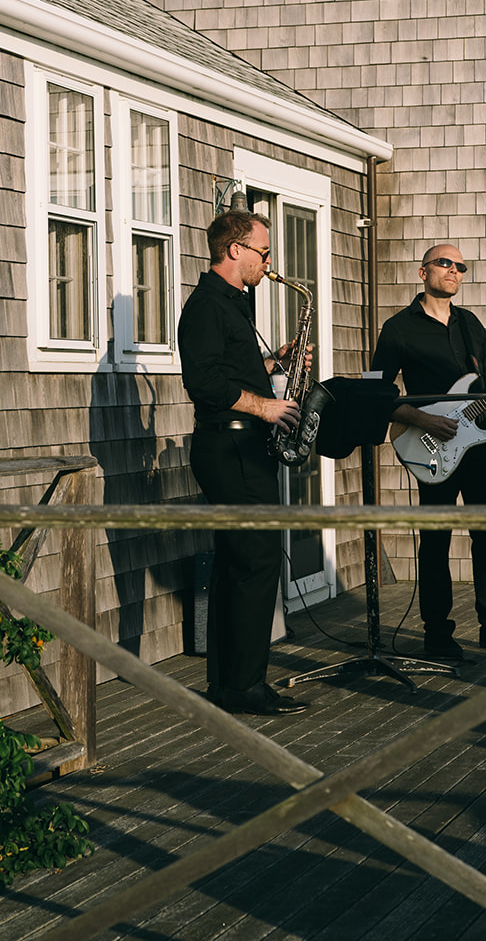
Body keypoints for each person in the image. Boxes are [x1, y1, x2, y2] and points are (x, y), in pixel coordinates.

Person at [372, 243, 486, 661]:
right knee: (436, 541)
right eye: (445, 263)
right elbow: (374, 390)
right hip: (433, 448)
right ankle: (437, 634)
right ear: (423, 271)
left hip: (481, 444)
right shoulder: (398, 329)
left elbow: (484, 383)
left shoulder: (471, 325)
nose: (454, 271)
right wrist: (419, 419)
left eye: (461, 266)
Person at [177, 209, 308, 716]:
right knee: (257, 562)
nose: (268, 262)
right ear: (235, 249)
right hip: (229, 446)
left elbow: (231, 368)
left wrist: (278, 362)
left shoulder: (232, 304)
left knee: (238, 564)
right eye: (263, 251)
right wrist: (266, 406)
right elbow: (204, 382)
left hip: (240, 446)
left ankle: (228, 683)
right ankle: (246, 686)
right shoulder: (208, 304)